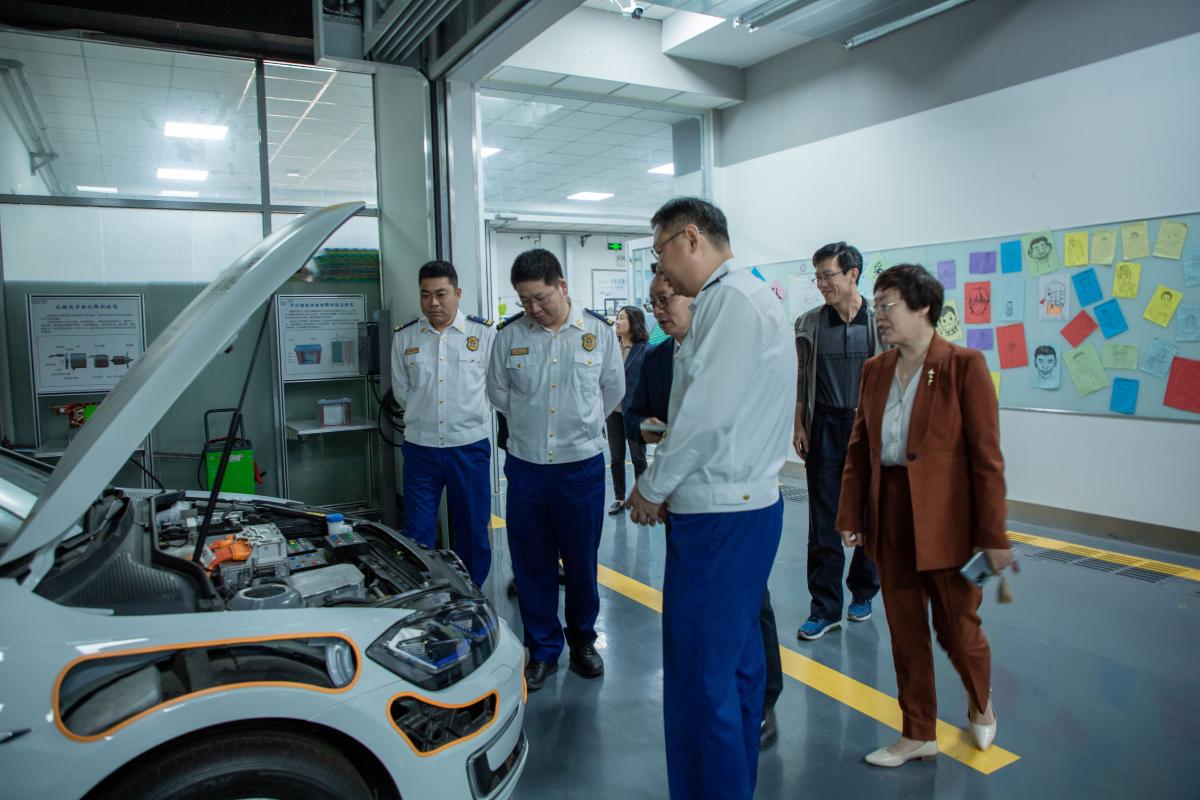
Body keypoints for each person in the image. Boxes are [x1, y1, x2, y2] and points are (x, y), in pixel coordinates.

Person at [626, 198, 796, 800]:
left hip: (719, 517)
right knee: (737, 669)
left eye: (660, 253)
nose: (662, 270)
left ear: (691, 238)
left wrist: (651, 487)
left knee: (702, 681)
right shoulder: (751, 295)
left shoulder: (728, 300)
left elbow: (706, 415)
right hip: (742, 509)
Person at [836, 263, 1014, 768]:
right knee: (906, 629)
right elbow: (859, 449)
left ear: (923, 308)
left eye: (887, 305)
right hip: (890, 511)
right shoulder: (876, 370)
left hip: (949, 520)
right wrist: (851, 513)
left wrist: (993, 536)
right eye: (876, 306)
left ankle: (980, 701)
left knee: (958, 628)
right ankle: (917, 733)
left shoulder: (963, 366)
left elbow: (987, 459)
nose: (878, 315)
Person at [486, 248, 624, 691]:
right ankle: (542, 649)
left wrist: (578, 427)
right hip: (526, 468)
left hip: (580, 468)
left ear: (562, 286)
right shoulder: (509, 336)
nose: (533, 308)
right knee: (532, 562)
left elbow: (612, 391)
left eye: (540, 298)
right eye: (524, 300)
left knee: (581, 562)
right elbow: (498, 393)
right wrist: (531, 427)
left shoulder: (597, 333)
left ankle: (582, 640)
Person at [792, 241, 882, 641]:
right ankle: (825, 608)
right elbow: (801, 379)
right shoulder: (810, 323)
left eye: (828, 275)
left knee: (871, 513)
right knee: (823, 522)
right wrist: (799, 423)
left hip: (869, 427)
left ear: (853, 274)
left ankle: (863, 591)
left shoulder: (879, 322)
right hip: (825, 426)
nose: (822, 284)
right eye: (818, 277)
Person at [391, 260, 495, 587]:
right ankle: (425, 593)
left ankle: (471, 593)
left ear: (457, 293)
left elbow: (495, 388)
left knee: (472, 528)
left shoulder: (484, 334)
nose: (433, 302)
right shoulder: (405, 337)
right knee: (417, 530)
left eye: (441, 294)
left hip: (469, 447)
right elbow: (402, 391)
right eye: (426, 295)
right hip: (421, 449)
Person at [606, 305, 649, 515]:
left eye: (622, 317)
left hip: (635, 413)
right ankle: (619, 498)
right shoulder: (611, 348)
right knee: (616, 458)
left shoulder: (645, 349)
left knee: (638, 458)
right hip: (613, 412)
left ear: (634, 322)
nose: (617, 321)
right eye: (618, 317)